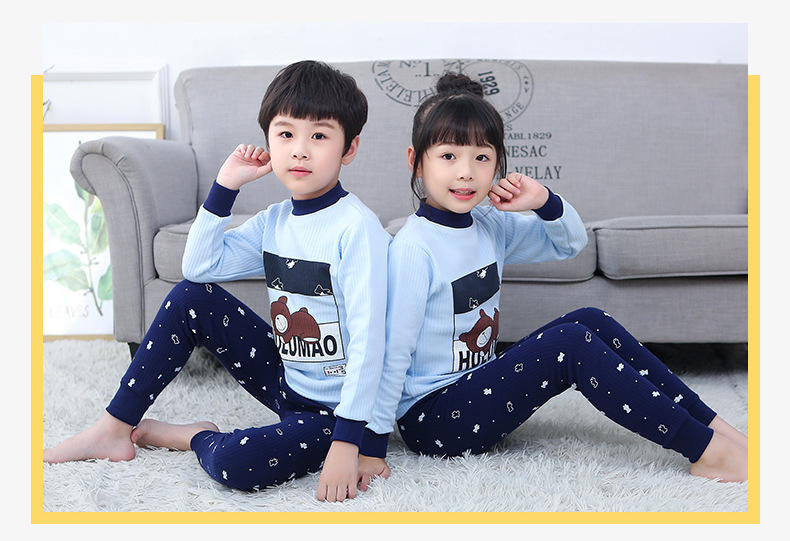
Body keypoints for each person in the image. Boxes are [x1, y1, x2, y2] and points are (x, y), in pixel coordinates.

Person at [366, 72, 747, 483]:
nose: (466, 172)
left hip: (475, 386)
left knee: (590, 319)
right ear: (416, 161)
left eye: (482, 158)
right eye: (448, 156)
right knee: (569, 345)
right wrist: (370, 447)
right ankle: (706, 451)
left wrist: (544, 202)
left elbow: (570, 243)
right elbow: (393, 354)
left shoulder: (490, 224)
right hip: (433, 419)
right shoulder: (413, 248)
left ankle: (718, 432)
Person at [43, 60, 393, 502]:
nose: (300, 150)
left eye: (319, 136)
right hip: (286, 381)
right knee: (191, 297)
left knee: (235, 463)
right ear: (268, 140)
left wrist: (350, 442)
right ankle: (114, 427)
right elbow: (198, 268)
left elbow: (372, 344)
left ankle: (192, 435)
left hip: (333, 413)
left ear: (349, 148)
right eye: (286, 134)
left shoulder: (357, 229)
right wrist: (225, 186)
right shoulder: (275, 220)